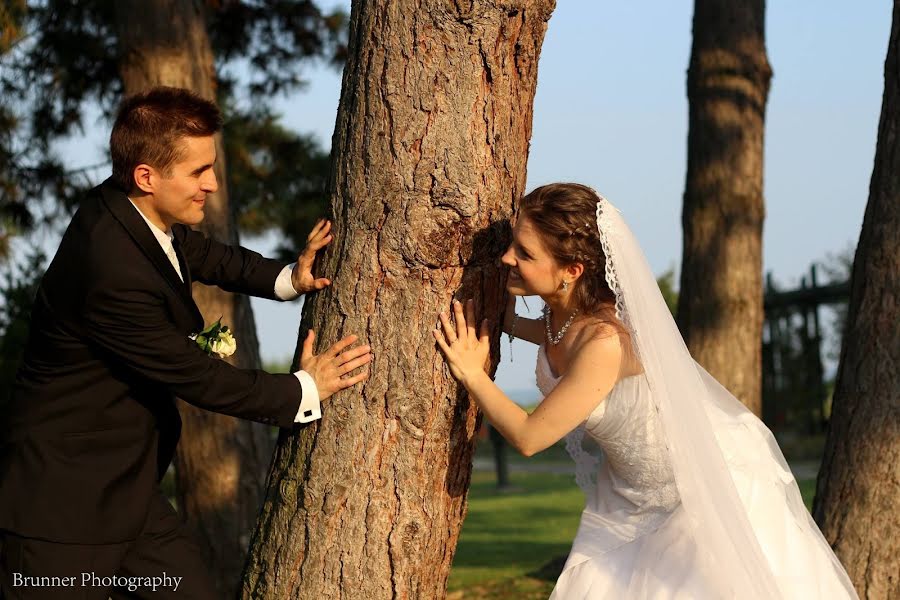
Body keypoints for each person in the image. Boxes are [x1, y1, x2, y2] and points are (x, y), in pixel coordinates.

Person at [0, 87, 371, 600]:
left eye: (210, 167)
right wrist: (303, 390)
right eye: (198, 172)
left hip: (128, 495)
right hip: (60, 518)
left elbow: (199, 252)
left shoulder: (129, 208)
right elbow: (197, 376)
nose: (213, 184)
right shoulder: (109, 271)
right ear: (147, 176)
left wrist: (288, 278)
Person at [433, 183, 858, 599]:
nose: (507, 257)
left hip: (693, 489)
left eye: (524, 253)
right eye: (513, 244)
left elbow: (530, 437)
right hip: (630, 490)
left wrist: (473, 375)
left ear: (572, 270)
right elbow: (540, 334)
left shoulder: (604, 342)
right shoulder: (561, 318)